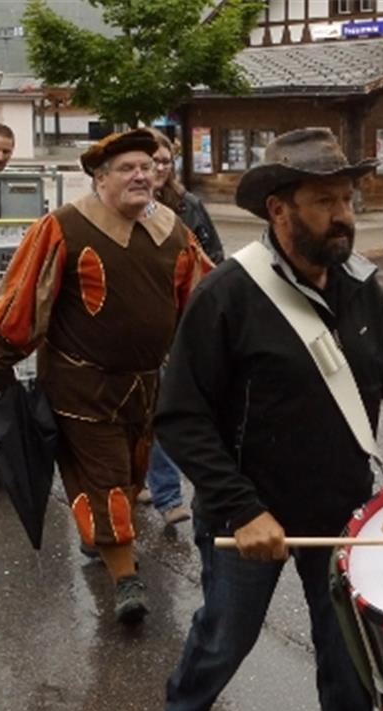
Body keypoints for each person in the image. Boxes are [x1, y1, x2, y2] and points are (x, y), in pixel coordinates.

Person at [156, 127, 383, 711]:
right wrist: (242, 509)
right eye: (325, 201)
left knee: (349, 657)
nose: (344, 215)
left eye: (347, 198)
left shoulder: (359, 283)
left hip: (341, 508)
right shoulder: (227, 295)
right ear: (279, 209)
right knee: (228, 635)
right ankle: (187, 704)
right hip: (247, 514)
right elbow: (180, 416)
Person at [0, 128, 213, 624]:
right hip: (81, 387)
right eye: (127, 168)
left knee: (130, 476)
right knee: (104, 477)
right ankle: (126, 579)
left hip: (144, 386)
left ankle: (103, 537)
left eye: (147, 167)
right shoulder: (64, 227)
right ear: (100, 178)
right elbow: (25, 298)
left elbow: (202, 300)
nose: (141, 175)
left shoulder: (174, 230)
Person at [135, 129, 225, 526]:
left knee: (167, 409)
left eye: (163, 161)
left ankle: (169, 496)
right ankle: (134, 481)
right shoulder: (121, 208)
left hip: (178, 326)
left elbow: (214, 257)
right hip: (137, 329)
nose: (156, 168)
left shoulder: (187, 206)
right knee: (137, 414)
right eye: (150, 161)